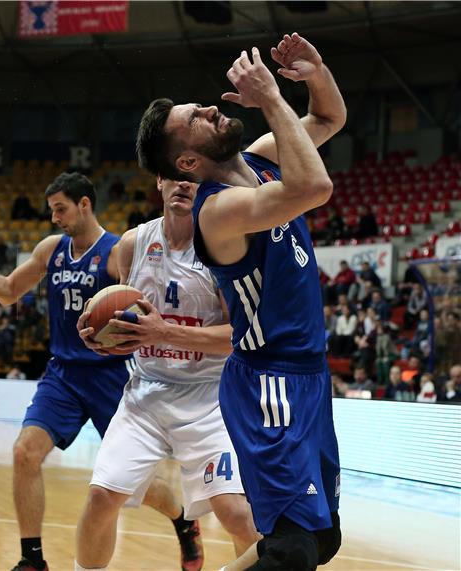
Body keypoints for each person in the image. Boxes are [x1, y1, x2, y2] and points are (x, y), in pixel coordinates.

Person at [136, 32, 345, 570]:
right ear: (187, 162)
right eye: (195, 119)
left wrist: (313, 73)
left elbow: (327, 121)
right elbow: (314, 187)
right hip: (266, 380)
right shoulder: (216, 210)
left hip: (309, 375)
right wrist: (272, 98)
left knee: (320, 543)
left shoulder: (260, 158)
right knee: (293, 550)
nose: (209, 108)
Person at [0, 172, 204, 571]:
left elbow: (147, 309)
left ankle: (182, 517)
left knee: (128, 486)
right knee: (24, 452)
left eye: (60, 209)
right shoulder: (51, 250)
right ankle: (32, 560)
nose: (55, 218)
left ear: (85, 204)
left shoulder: (119, 252)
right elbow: (8, 290)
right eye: (52, 211)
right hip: (63, 373)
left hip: (112, 376)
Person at [74, 176, 259, 571]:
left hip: (210, 397)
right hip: (146, 393)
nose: (183, 185)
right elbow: (121, 319)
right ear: (159, 181)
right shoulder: (132, 244)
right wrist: (97, 335)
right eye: (173, 175)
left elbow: (240, 337)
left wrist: (166, 332)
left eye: (193, 178)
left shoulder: (223, 247)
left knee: (236, 514)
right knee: (101, 498)